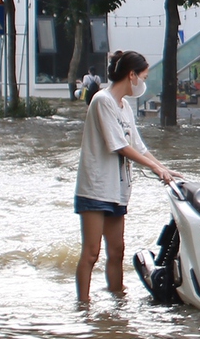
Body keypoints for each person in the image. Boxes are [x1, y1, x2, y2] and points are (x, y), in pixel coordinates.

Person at [75, 49, 179, 303]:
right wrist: (156, 169)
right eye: (143, 76)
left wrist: (164, 168)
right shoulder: (102, 101)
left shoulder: (124, 108)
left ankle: (117, 302)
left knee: (117, 250)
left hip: (117, 190)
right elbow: (119, 145)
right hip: (95, 187)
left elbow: (139, 146)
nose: (143, 83)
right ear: (131, 75)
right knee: (91, 253)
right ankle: (83, 306)